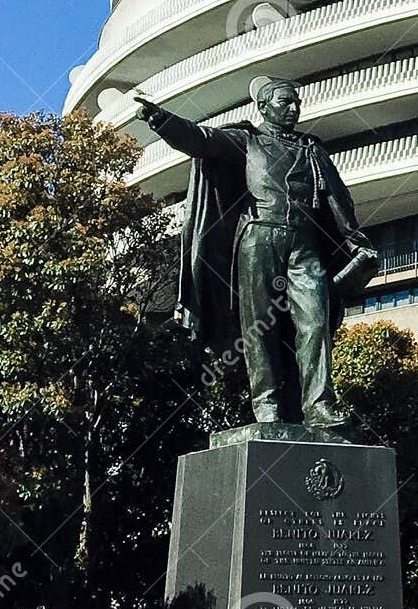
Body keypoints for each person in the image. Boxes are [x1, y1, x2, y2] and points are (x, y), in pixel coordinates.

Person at [132, 78, 377, 429]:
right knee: (259, 328)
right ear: (263, 106)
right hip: (258, 240)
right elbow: (200, 140)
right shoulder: (247, 141)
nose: (293, 108)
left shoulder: (313, 150)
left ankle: (319, 406)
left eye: (296, 101)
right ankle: (267, 406)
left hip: (305, 245)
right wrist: (160, 119)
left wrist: (356, 242)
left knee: (315, 322)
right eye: (284, 102)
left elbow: (338, 201)